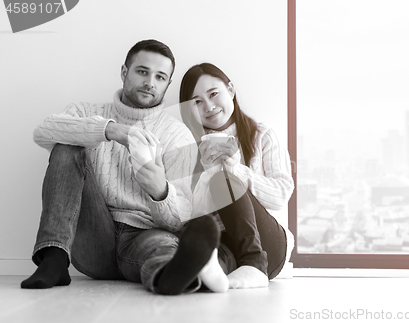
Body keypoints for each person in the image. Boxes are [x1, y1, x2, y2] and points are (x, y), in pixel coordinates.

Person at [21, 40, 229, 295]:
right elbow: (43, 132)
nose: (150, 83)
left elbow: (178, 219)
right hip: (92, 234)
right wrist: (109, 130)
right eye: (142, 71)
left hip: (144, 234)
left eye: (160, 77)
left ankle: (170, 275)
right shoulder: (87, 111)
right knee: (66, 145)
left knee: (163, 248)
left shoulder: (177, 135)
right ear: (124, 72)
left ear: (167, 84)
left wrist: (160, 192)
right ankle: (53, 258)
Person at [179, 63, 295, 288]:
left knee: (223, 180)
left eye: (213, 94)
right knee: (202, 272)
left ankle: (254, 264)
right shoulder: (187, 147)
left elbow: (280, 196)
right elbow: (186, 216)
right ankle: (207, 273)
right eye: (197, 102)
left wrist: (236, 170)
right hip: (223, 245)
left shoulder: (262, 136)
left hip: (268, 246)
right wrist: (205, 172)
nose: (209, 106)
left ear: (230, 90)